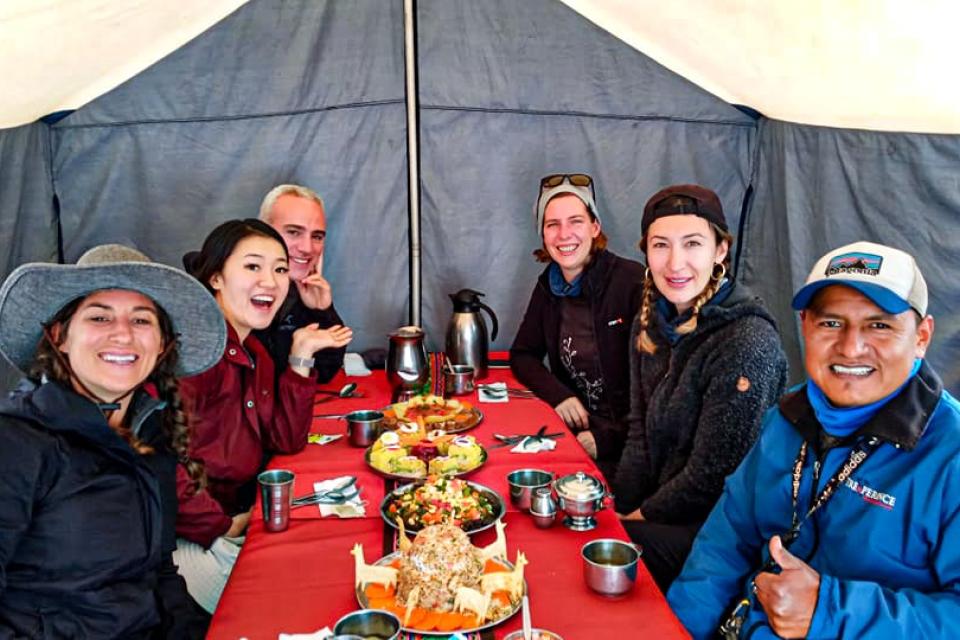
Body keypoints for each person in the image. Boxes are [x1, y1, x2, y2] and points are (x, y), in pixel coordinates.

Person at [669, 241, 960, 639]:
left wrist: (830, 611)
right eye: (831, 323)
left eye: (879, 325)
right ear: (804, 324)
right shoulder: (786, 419)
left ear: (922, 336)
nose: (851, 347)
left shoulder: (950, 455)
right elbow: (725, 543)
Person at [0, 244, 225, 638]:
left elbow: (159, 573)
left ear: (161, 345)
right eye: (100, 316)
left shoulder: (151, 439)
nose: (122, 333)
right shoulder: (17, 442)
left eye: (141, 320)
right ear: (60, 336)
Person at [614, 184, 787, 592]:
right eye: (661, 245)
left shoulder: (746, 340)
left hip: (722, 530)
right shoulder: (649, 322)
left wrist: (634, 518)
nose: (675, 262)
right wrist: (616, 503)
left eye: (692, 244)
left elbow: (713, 474)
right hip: (660, 506)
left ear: (720, 251)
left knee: (594, 548)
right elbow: (638, 430)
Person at [175, 219, 333, 612]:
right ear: (215, 277)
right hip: (190, 536)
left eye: (280, 269)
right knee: (299, 604)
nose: (271, 281)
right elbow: (153, 458)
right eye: (252, 267)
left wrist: (300, 357)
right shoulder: (196, 355)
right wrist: (221, 526)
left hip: (234, 516)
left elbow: (286, 440)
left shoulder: (253, 351)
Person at [510, 173, 646, 477]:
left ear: (595, 227)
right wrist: (560, 396)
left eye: (576, 221)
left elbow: (660, 388)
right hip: (577, 431)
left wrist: (607, 439)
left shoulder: (631, 281)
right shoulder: (550, 284)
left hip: (633, 447)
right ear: (543, 234)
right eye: (552, 225)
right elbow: (523, 354)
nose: (564, 234)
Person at [256, 184, 352, 382]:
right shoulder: (234, 290)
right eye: (293, 232)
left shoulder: (301, 290)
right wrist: (299, 359)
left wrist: (322, 312)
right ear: (262, 232)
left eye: (317, 236)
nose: (307, 248)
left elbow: (322, 374)